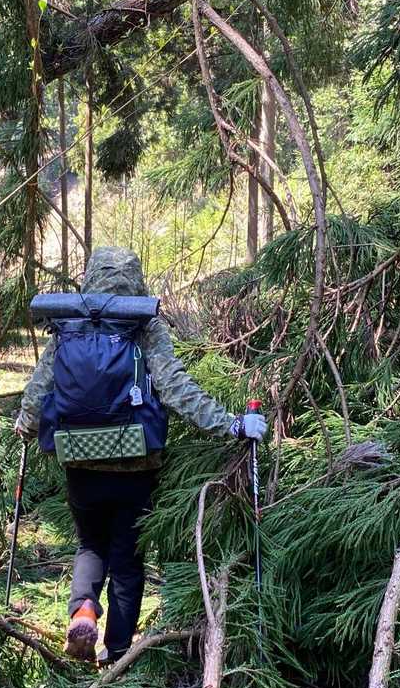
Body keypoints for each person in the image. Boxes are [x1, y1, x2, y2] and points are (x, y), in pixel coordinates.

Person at [16, 247, 267, 664]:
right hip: (136, 462)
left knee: (90, 544)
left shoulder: (69, 323)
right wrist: (233, 424)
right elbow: (176, 389)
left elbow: (39, 387)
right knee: (127, 560)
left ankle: (83, 611)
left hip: (78, 457)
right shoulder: (143, 322)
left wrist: (25, 424)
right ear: (136, 279)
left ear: (90, 277)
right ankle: (117, 656)